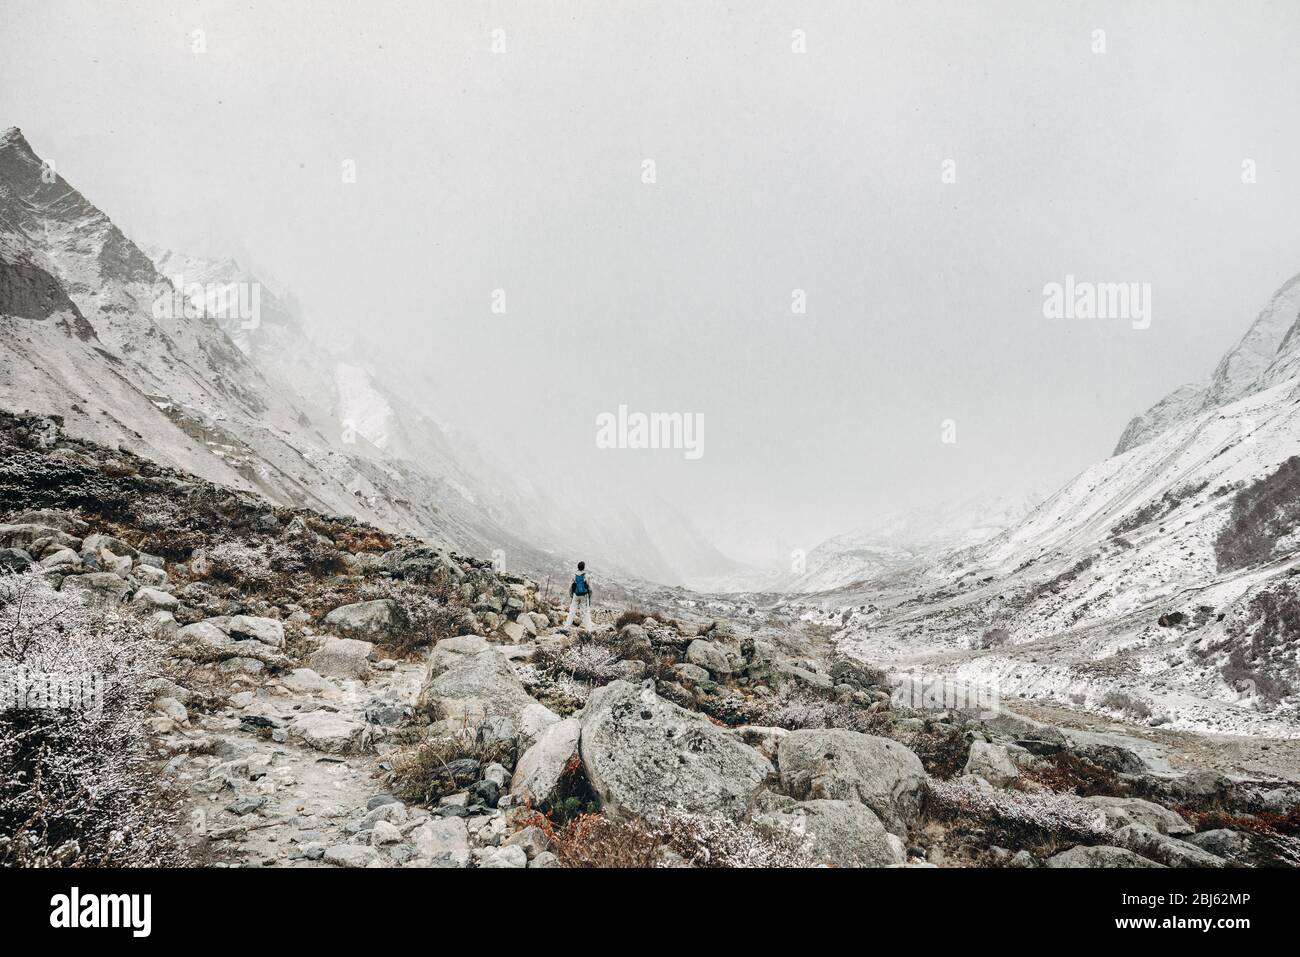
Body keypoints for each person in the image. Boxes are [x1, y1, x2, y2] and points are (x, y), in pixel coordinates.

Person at [563, 560, 594, 633]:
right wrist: (589, 596)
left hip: (575, 595)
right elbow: (590, 589)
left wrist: (572, 595)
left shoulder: (574, 575)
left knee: (572, 611)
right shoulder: (587, 576)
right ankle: (589, 630)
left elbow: (570, 587)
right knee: (585, 613)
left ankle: (566, 628)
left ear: (578, 567)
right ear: (584, 567)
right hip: (584, 596)